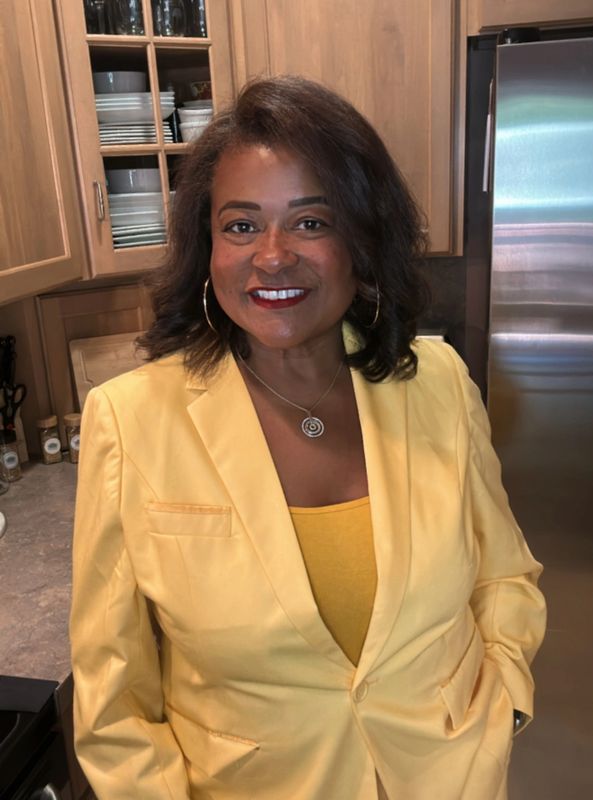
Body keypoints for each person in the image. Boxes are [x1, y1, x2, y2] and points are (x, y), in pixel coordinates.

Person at [70, 75, 546, 800]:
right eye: (240, 225)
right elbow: (112, 699)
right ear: (208, 250)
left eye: (310, 222)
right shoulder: (130, 421)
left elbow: (504, 576)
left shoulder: (440, 381)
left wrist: (503, 705)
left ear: (362, 239)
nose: (271, 255)